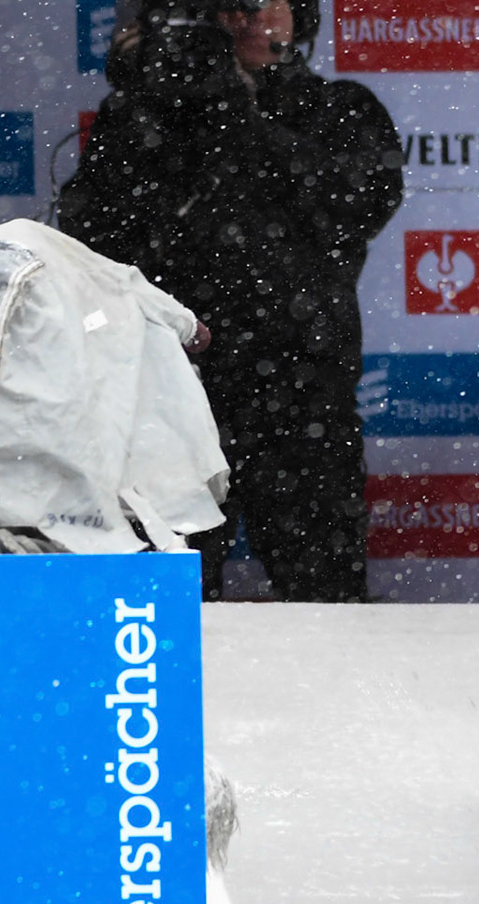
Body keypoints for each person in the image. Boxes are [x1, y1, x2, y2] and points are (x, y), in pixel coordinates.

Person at [58, 0, 403, 602]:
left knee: (327, 600)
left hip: (300, 396)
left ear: (298, 19)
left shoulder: (337, 109)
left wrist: (236, 110)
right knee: (158, 607)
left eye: (259, 5)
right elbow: (92, 240)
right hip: (169, 393)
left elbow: (357, 203)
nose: (244, 20)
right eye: (226, 8)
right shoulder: (149, 118)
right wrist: (148, 100)